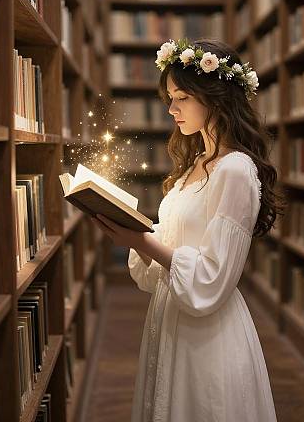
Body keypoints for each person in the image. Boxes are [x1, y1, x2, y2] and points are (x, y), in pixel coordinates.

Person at [92, 38, 283, 421]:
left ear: (213, 98)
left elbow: (213, 278)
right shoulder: (196, 162)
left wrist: (140, 239)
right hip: (170, 316)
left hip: (206, 334)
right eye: (170, 97)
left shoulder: (235, 170)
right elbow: (169, 249)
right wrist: (140, 237)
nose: (170, 108)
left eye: (181, 98)